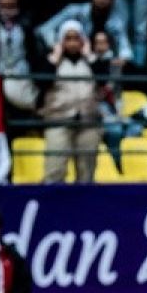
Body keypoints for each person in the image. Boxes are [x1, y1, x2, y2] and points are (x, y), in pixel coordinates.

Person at [40, 20, 101, 184]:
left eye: (76, 38)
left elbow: (105, 80)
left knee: (86, 173)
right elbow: (41, 83)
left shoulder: (92, 62)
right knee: (55, 170)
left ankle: (85, 208)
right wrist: (55, 57)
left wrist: (90, 56)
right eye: (68, 38)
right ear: (61, 41)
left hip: (88, 121)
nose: (73, 43)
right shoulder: (51, 62)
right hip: (58, 120)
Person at [37, 0, 131, 68]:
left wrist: (123, 58)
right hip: (67, 56)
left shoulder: (115, 20)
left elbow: (124, 45)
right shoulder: (74, 11)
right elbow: (44, 29)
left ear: (112, 0)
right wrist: (57, 46)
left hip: (95, 60)